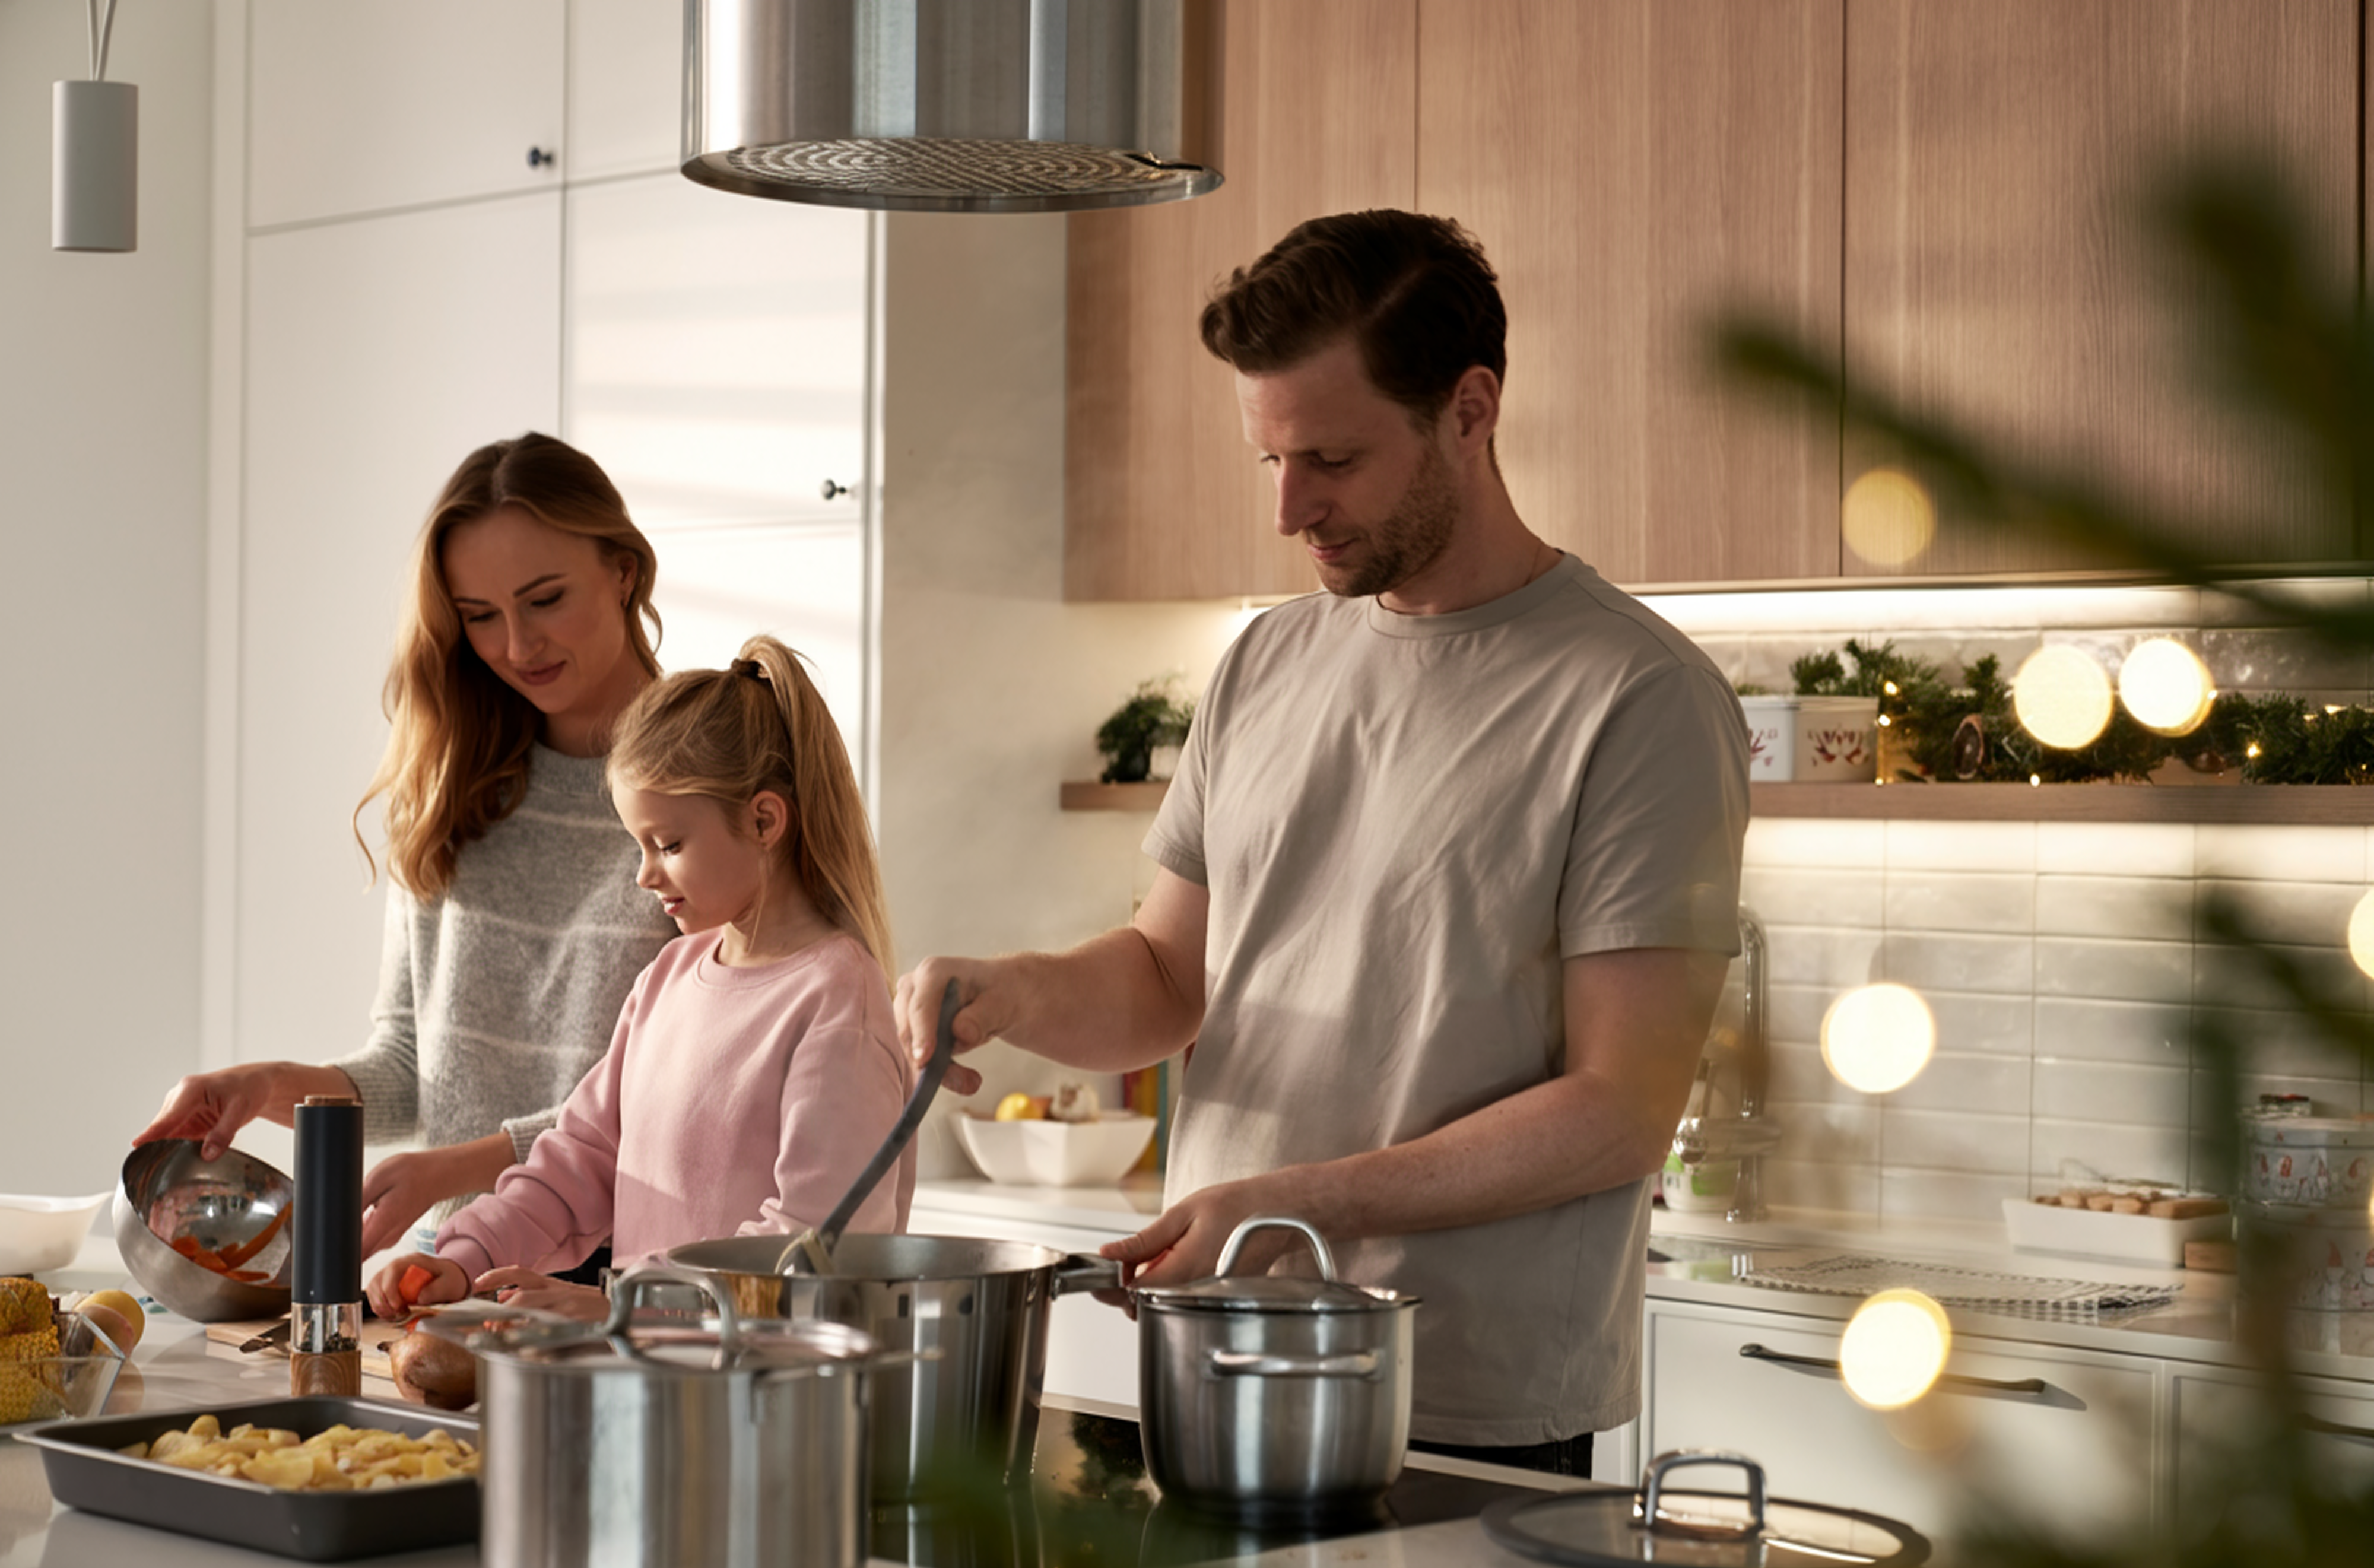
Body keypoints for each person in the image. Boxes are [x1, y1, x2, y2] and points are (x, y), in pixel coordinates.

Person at [894, 211, 1749, 1473]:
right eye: (1270, 462)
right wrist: (1016, 989)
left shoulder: (1636, 697)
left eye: (1333, 458)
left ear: (1469, 408)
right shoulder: (1265, 661)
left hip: (1455, 1401)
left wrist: (1295, 1200)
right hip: (1211, 1357)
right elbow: (1167, 978)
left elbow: (1619, 1109)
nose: (1292, 507)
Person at [136, 434, 681, 1265]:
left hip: (624, 1279)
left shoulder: (711, 779)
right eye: (480, 617)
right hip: (449, 1273)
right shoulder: (457, 788)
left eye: (545, 598)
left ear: (625, 570)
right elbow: (411, 1066)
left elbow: (693, 1090)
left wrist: (459, 1167)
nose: (517, 646)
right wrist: (265, 1085)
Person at [367, 636, 912, 1323]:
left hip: (776, 1411)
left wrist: (616, 1307)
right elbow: (582, 1157)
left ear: (765, 819)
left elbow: (813, 1250)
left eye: (669, 844)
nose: (644, 874)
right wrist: (466, 1253)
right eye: (638, 844)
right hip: (665, 1391)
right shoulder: (671, 976)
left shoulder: (837, 1002)